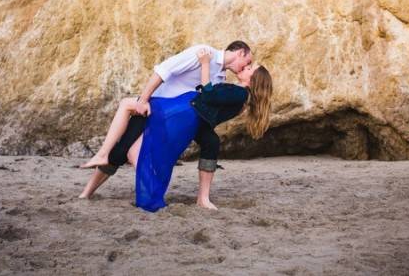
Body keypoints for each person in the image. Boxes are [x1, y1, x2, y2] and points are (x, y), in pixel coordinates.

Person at [78, 41, 253, 203]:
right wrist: (143, 100)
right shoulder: (204, 53)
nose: (246, 67)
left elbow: (205, 101)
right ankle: (87, 192)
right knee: (120, 151)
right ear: (240, 53)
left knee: (209, 141)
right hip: (154, 106)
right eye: (247, 62)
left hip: (170, 117)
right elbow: (164, 70)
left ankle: (191, 196)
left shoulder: (220, 77)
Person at [135, 47, 272, 211]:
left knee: (138, 113)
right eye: (248, 65)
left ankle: (199, 197)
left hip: (190, 112)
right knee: (209, 142)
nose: (246, 67)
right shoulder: (240, 93)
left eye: (250, 69)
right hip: (196, 116)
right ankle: (201, 197)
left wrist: (205, 63)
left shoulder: (240, 93)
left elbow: (208, 95)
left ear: (253, 81)